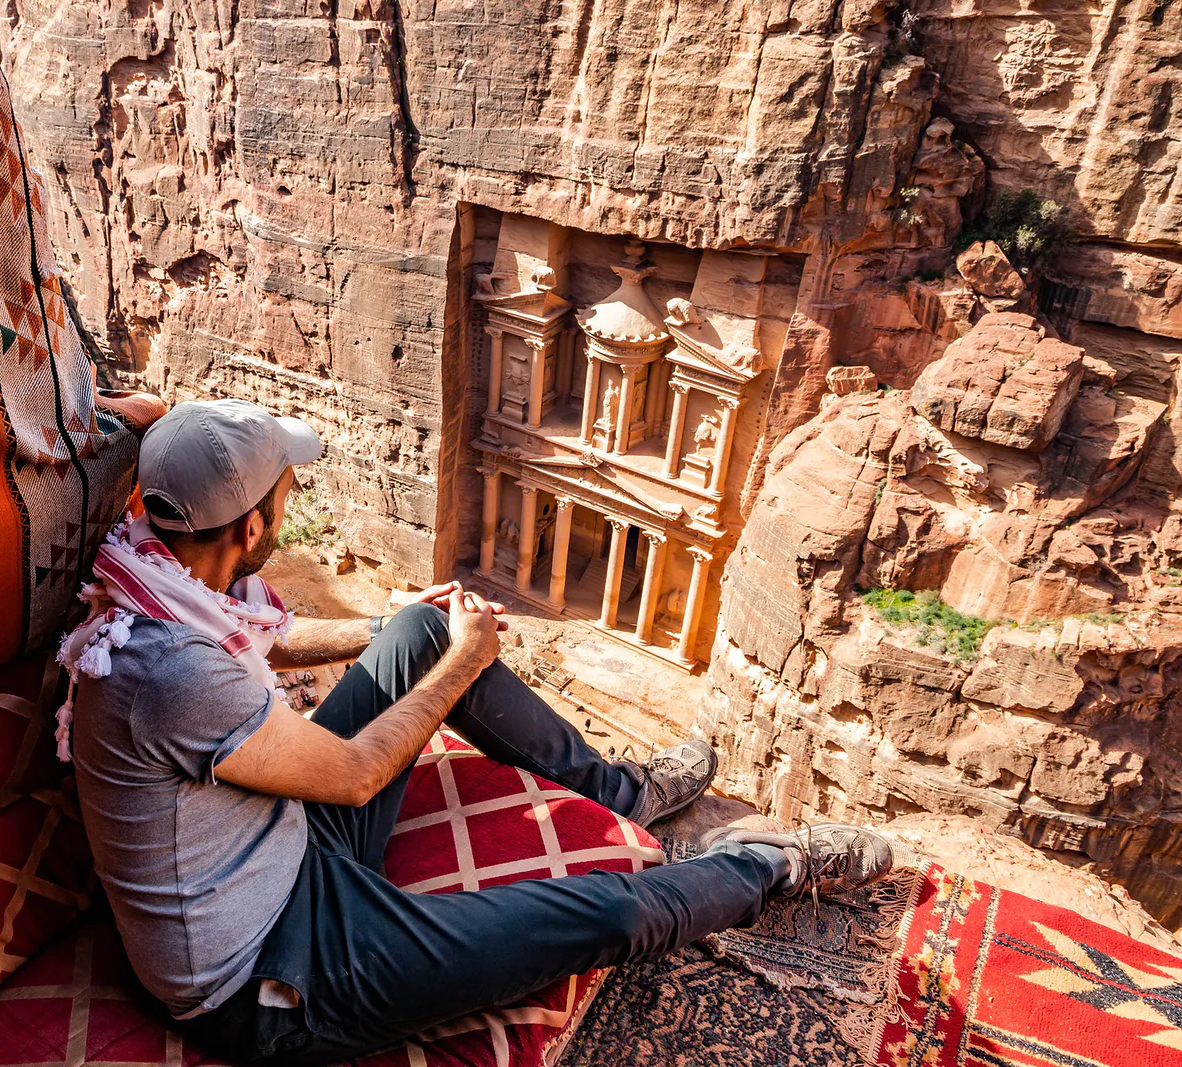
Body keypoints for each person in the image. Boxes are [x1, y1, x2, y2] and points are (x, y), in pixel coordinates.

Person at [60, 398, 894, 1065]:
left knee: (416, 635)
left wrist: (388, 626)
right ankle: (771, 866)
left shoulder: (153, 568)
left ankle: (619, 793)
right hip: (272, 971)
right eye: (284, 497)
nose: (291, 504)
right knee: (599, 919)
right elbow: (353, 775)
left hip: (280, 847)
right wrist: (465, 663)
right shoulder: (172, 672)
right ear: (248, 530)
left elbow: (262, 638)